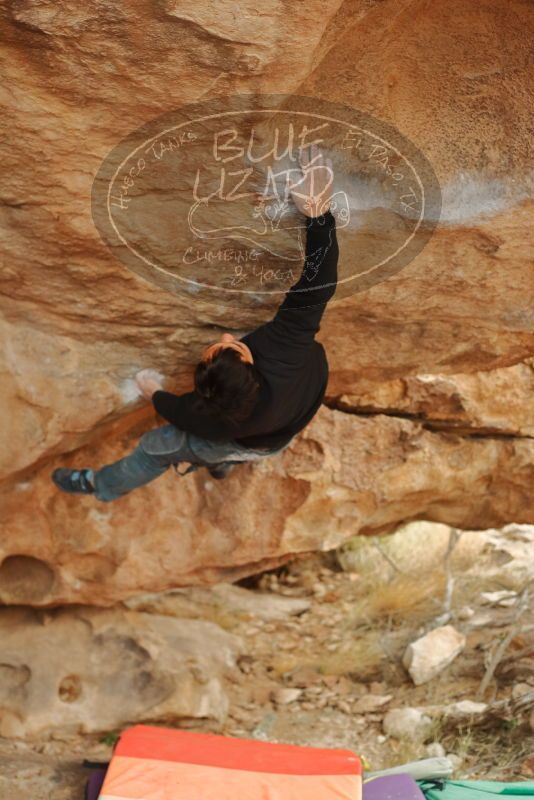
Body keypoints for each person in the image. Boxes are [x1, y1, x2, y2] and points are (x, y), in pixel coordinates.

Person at [52, 144, 339, 501]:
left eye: (224, 345)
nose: (226, 334)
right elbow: (318, 285)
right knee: (227, 447)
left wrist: (152, 393)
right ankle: (224, 463)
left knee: (154, 447)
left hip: (253, 433)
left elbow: (179, 411)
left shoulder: (213, 421)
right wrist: (320, 215)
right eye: (229, 344)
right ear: (249, 365)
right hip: (285, 425)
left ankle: (100, 485)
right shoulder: (287, 347)